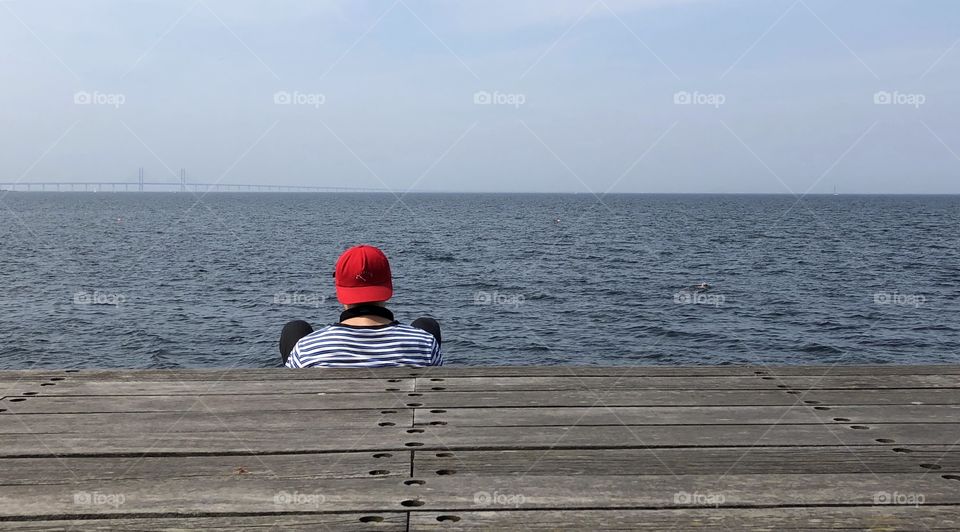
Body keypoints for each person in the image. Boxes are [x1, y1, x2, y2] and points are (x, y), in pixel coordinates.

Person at [280, 244, 443, 368]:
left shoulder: (307, 349)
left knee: (295, 328)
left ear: (340, 290)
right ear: (388, 286)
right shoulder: (426, 344)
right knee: (426, 325)